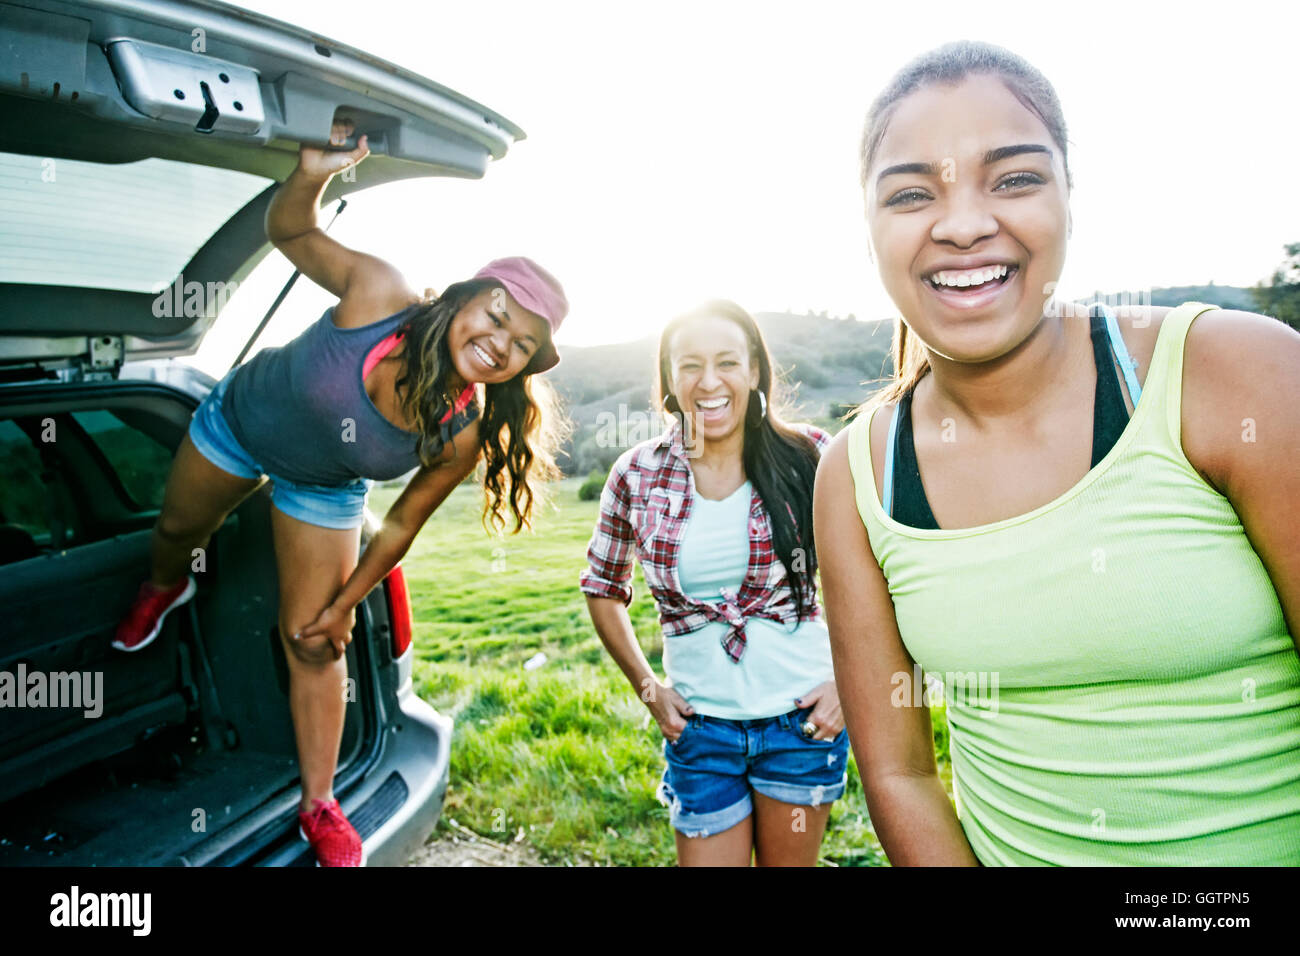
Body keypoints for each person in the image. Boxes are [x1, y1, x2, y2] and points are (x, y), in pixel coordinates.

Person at [814, 40, 1300, 865]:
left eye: (1014, 178)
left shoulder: (1239, 374)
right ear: (868, 232)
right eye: (910, 193)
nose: (964, 223)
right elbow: (899, 774)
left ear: (1071, 201)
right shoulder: (857, 475)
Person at [112, 120, 570, 866]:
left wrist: (344, 603)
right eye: (497, 317)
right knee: (173, 535)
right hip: (238, 425)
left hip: (322, 488)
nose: (500, 344)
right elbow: (288, 229)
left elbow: (396, 529)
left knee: (314, 645)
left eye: (521, 346)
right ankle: (165, 587)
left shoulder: (462, 428)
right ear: (466, 296)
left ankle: (319, 806)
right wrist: (313, 174)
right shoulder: (379, 292)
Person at [580, 299, 847, 866]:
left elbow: (878, 575)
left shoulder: (812, 456)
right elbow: (602, 586)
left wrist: (847, 684)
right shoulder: (638, 472)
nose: (709, 381)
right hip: (700, 733)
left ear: (754, 371)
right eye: (689, 366)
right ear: (670, 381)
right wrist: (648, 688)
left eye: (727, 362)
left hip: (801, 726)